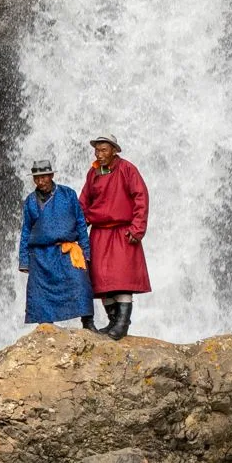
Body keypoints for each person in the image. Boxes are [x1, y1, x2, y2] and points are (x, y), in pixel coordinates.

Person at [79, 133, 150, 340]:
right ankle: (112, 321)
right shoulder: (93, 173)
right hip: (99, 232)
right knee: (102, 279)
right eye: (97, 150)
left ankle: (122, 324)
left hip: (122, 232)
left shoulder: (128, 169)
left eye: (103, 150)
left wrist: (137, 229)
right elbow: (84, 201)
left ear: (114, 151)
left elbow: (141, 198)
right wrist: (77, 226)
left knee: (122, 279)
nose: (99, 154)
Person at [19, 160, 94, 329]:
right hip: (40, 255)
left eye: (44, 177)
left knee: (80, 283)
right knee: (39, 292)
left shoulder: (68, 194)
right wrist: (24, 260)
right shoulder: (30, 201)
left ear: (51, 175)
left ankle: (88, 323)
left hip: (66, 250)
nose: (40, 181)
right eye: (37, 178)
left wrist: (86, 252)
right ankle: (45, 326)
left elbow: (81, 223)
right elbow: (26, 231)